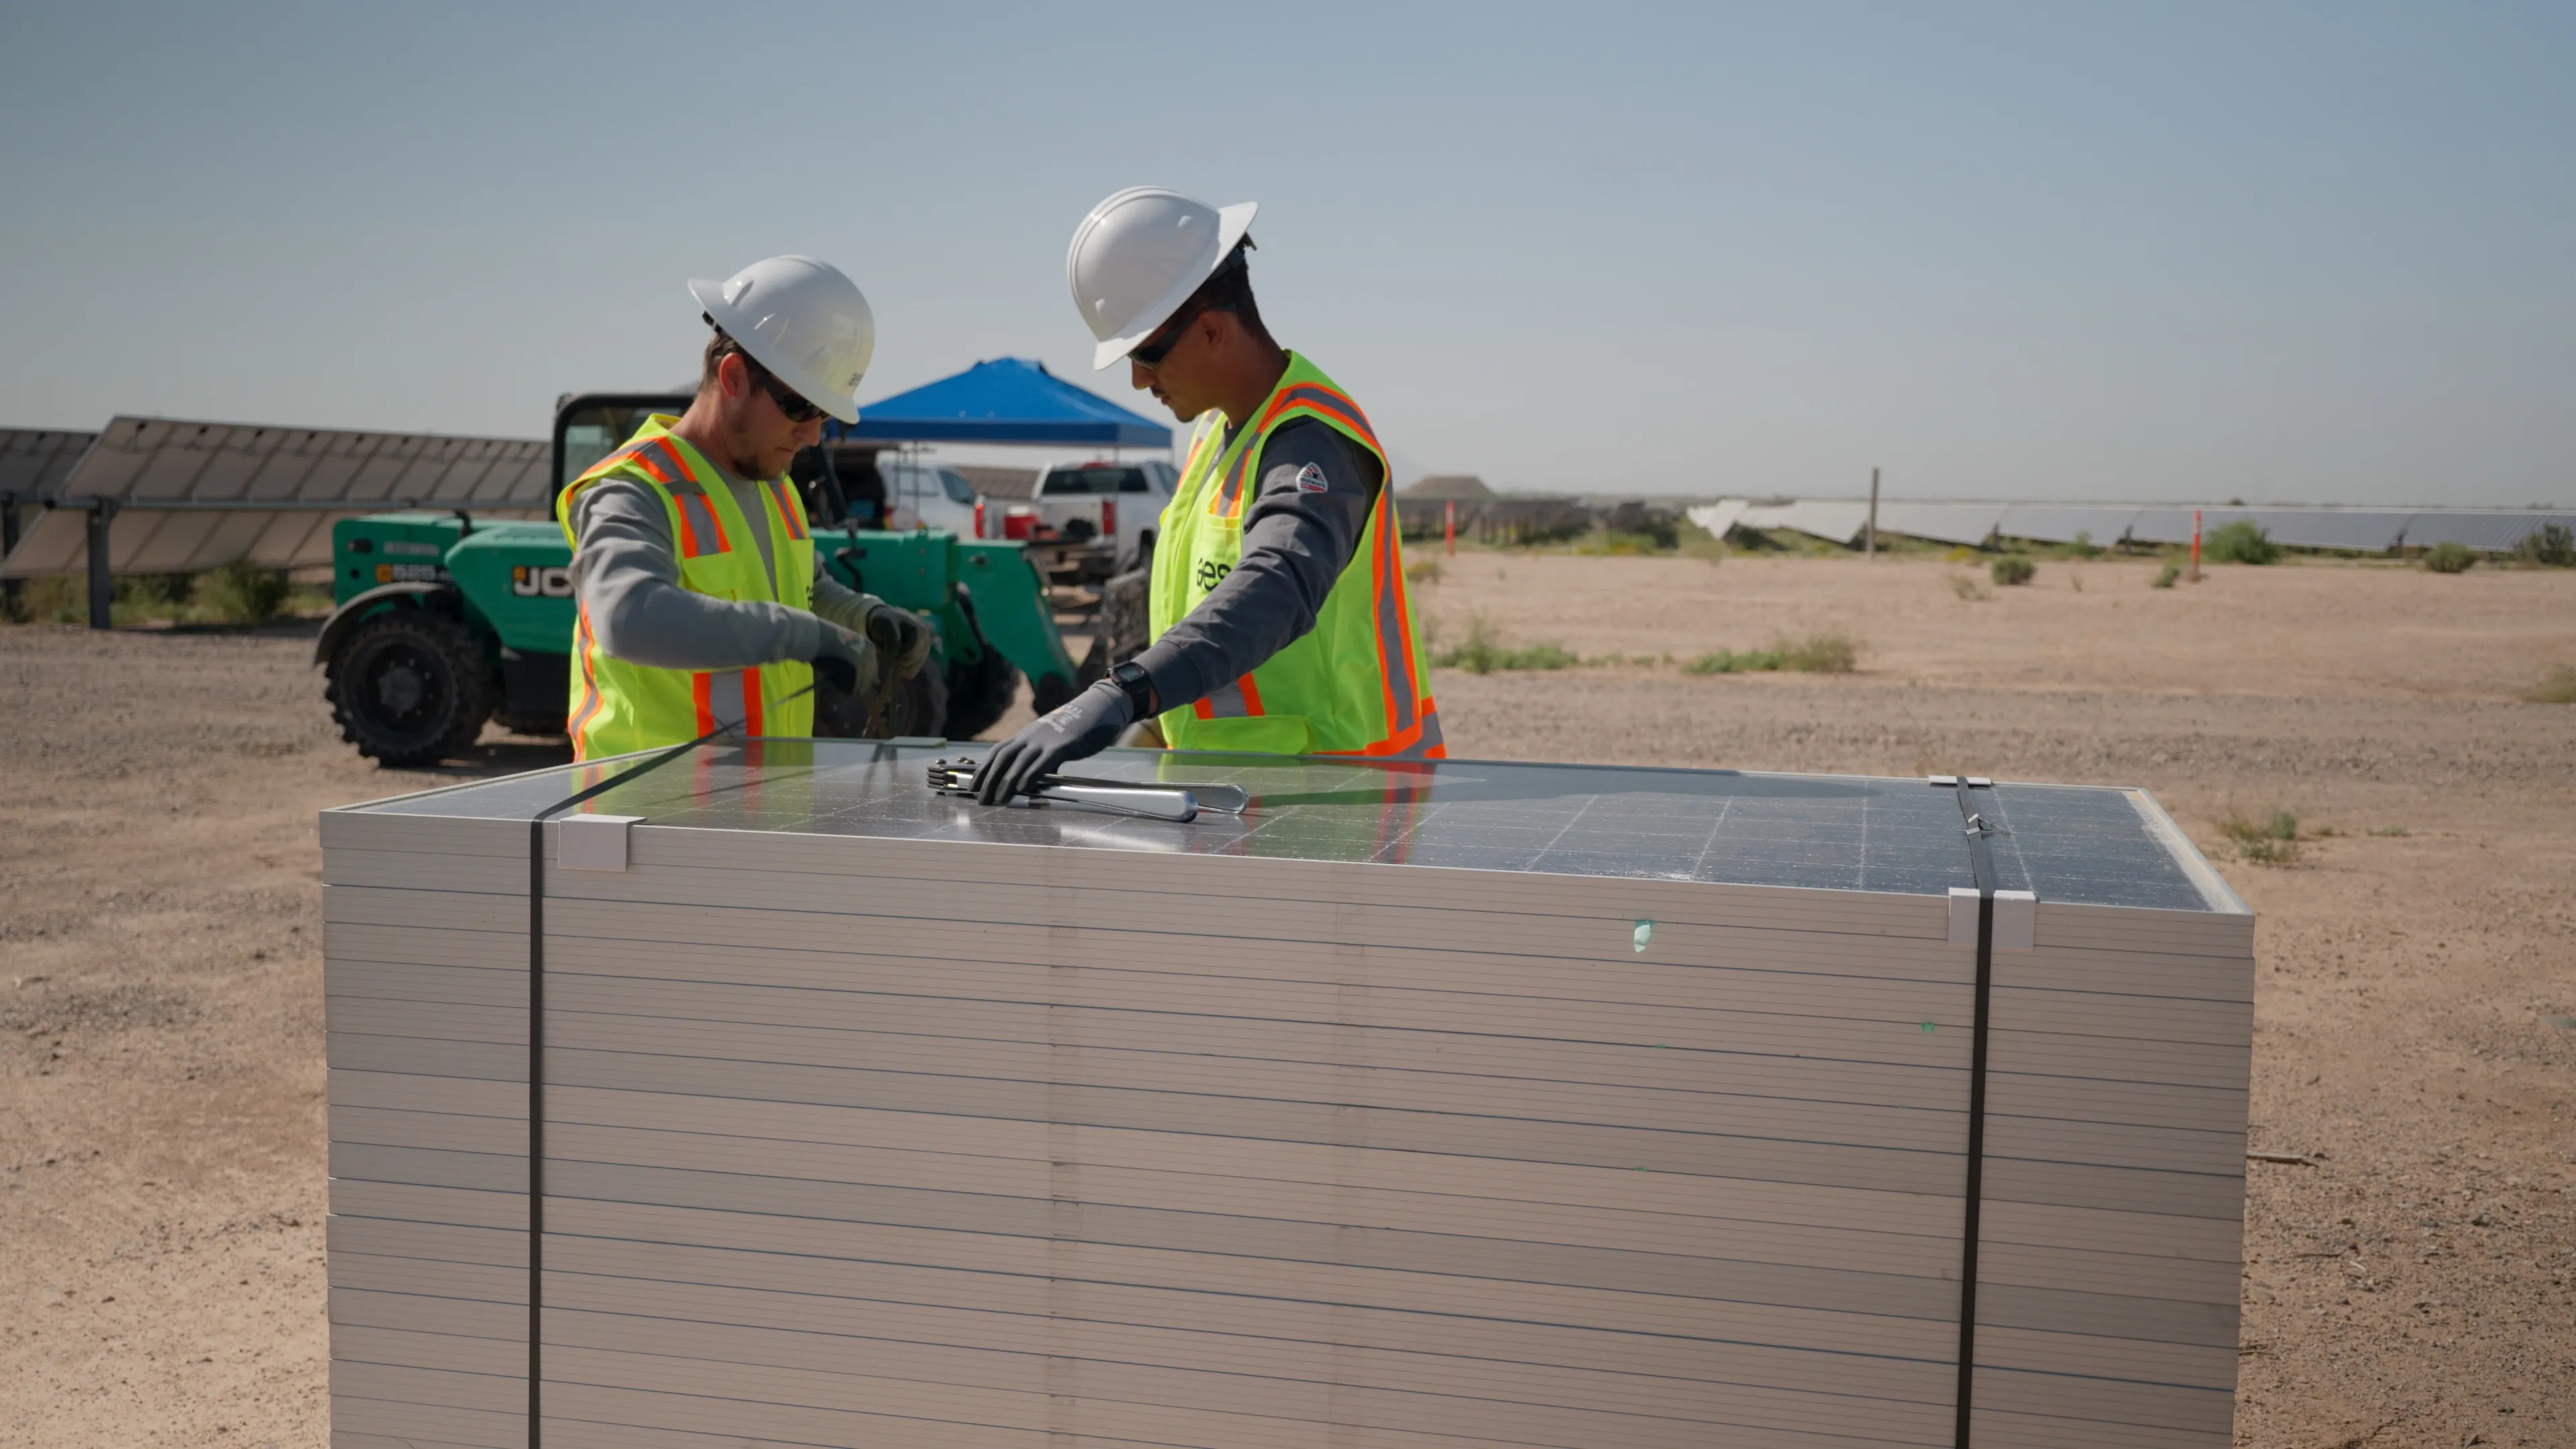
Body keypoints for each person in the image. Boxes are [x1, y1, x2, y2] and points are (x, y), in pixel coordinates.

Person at [976, 189, 1441, 803]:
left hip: (1342, 800)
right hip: (1254, 797)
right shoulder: (1216, 437)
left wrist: (1125, 692)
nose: (1138, 379)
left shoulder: (1313, 443)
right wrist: (1149, 731)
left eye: (1144, 353)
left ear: (1213, 331)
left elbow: (1276, 586)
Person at [557, 255, 931, 761]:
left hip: (750, 813)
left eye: (826, 415)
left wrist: (865, 617)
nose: (813, 433)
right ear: (733, 376)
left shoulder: (772, 484)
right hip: (644, 820)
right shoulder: (633, 489)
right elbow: (629, 618)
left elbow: (807, 588)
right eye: (800, 407)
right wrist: (803, 636)